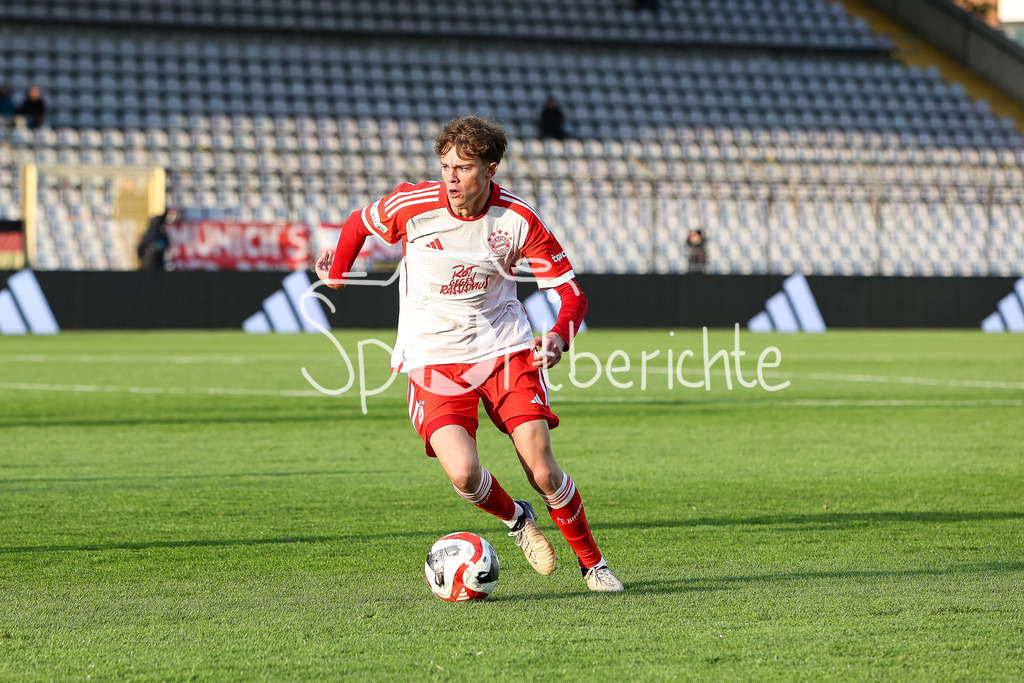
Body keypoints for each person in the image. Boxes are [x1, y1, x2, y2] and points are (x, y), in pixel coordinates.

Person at [314, 115, 623, 592]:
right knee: (462, 471)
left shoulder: (517, 219)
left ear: (491, 168)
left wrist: (560, 335)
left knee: (541, 467)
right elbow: (359, 223)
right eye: (445, 167)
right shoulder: (412, 205)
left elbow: (572, 294)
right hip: (433, 356)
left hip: (504, 349)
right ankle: (517, 519)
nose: (451, 178)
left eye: (463, 167)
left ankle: (593, 564)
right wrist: (337, 271)